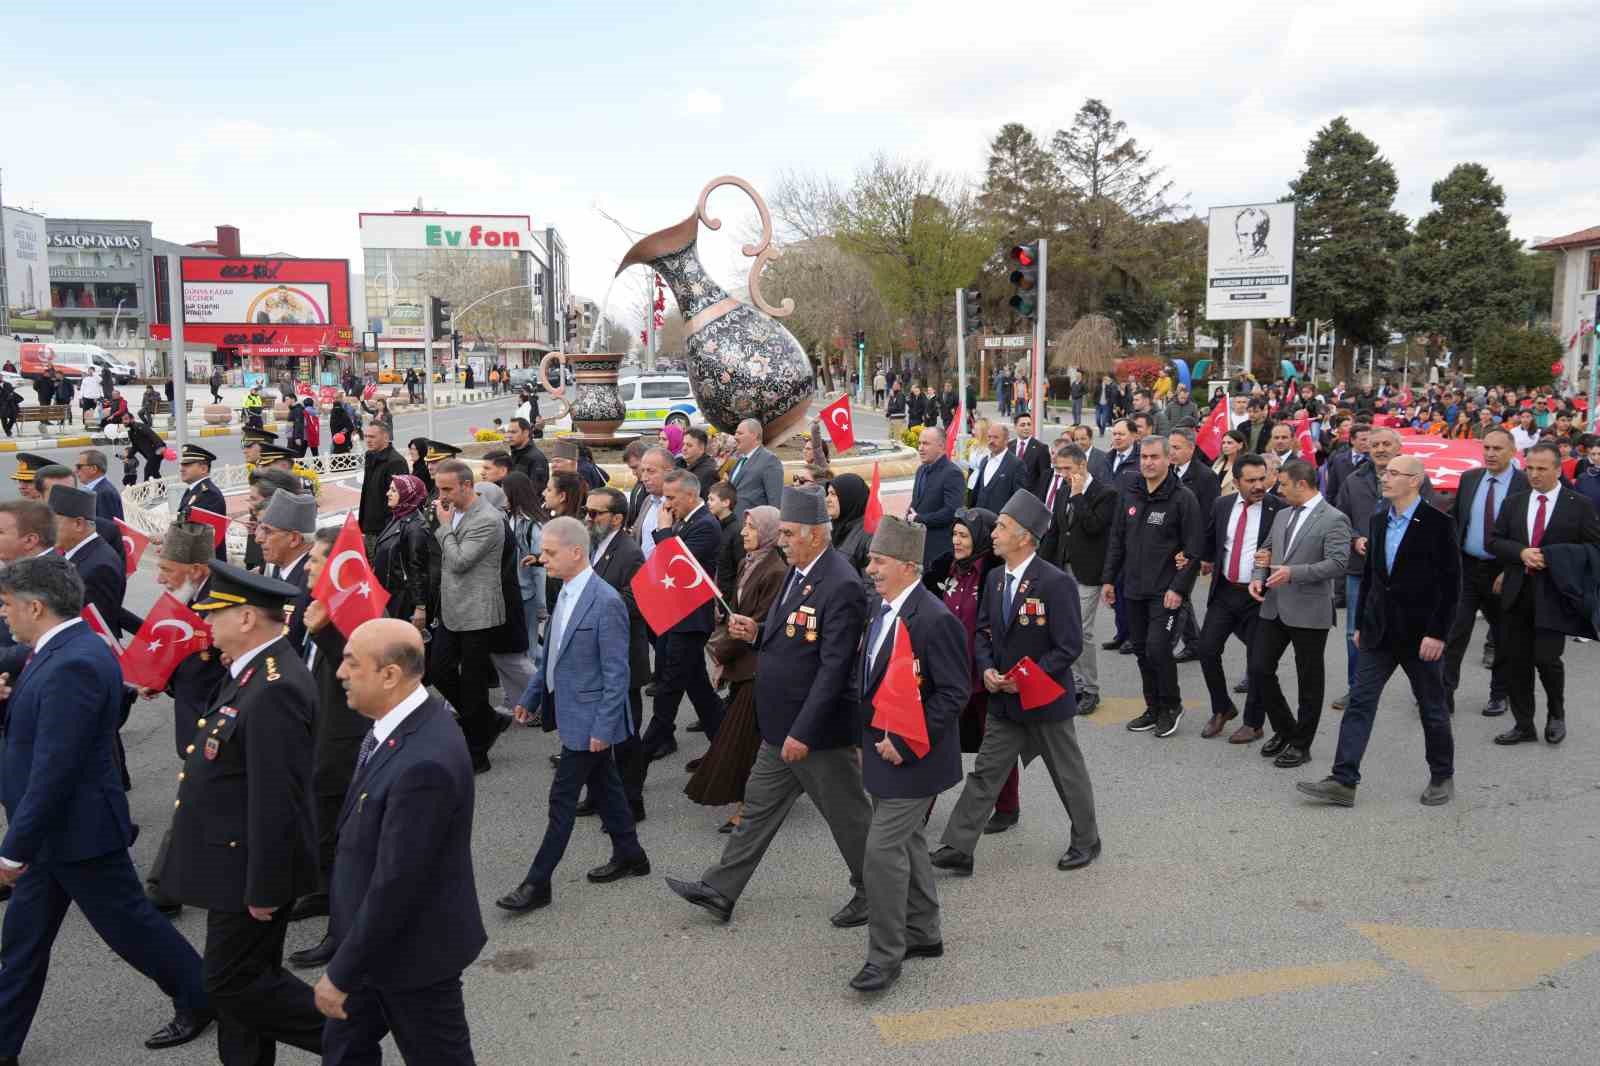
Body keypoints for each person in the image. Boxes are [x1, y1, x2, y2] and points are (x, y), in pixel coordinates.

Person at [0, 555, 213, 1061]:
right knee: (22, 945)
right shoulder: (65, 648)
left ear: (35, 606)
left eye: (7, 606)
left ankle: (201, 996)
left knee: (132, 929)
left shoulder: (71, 660)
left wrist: (14, 850)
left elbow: (57, 767)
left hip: (76, 832)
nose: (4, 616)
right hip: (54, 834)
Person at [666, 485, 873, 928]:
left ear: (817, 535)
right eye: (781, 533)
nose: (782, 541)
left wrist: (803, 732)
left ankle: (874, 890)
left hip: (815, 732)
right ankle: (721, 890)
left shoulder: (842, 584)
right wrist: (754, 632)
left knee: (849, 819)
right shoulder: (795, 571)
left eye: (791, 534)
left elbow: (835, 670)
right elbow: (789, 637)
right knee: (757, 810)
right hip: (778, 725)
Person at [162, 561, 325, 1065]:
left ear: (249, 618)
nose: (206, 620)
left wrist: (265, 886)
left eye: (216, 612)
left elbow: (278, 800)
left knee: (231, 985)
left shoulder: (275, 687)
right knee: (243, 993)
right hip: (230, 864)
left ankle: (346, 1032)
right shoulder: (249, 671)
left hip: (248, 870)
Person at [313, 619, 485, 1064]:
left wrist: (341, 971)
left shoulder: (424, 761)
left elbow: (398, 881)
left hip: (412, 957)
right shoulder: (393, 727)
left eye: (352, 663)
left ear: (389, 675)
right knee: (343, 1048)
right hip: (373, 945)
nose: (340, 673)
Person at [931, 489, 1101, 875]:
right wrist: (988, 668)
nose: (994, 533)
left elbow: (1068, 645)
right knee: (986, 773)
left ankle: (1087, 840)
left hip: (1043, 700)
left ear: (1025, 537)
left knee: (1067, 774)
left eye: (1003, 527)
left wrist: (1022, 677)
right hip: (1003, 700)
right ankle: (959, 846)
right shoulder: (993, 578)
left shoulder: (1054, 582)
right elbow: (985, 632)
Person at [499, 517, 649, 913]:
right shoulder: (564, 590)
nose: (542, 559)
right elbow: (552, 655)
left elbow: (618, 673)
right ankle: (631, 854)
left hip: (591, 720)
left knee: (562, 799)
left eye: (549, 553)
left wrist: (604, 727)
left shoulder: (606, 602)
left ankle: (537, 884)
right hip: (570, 712)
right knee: (606, 786)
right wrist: (531, 697)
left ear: (576, 552)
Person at [1297, 456, 1461, 807]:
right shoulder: (1377, 521)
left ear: (1415, 480)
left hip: (1421, 637)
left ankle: (1442, 776)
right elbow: (1371, 578)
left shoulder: (1438, 524)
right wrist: (1360, 624)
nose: (1384, 477)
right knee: (1360, 703)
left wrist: (1438, 634)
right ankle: (1343, 780)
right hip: (1378, 634)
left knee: (1432, 707)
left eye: (1392, 473)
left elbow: (1450, 585)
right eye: (1384, 472)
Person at [850, 516, 967, 993]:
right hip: (880, 751)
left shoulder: (935, 618)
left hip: (916, 757)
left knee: (880, 854)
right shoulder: (881, 609)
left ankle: (885, 957)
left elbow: (954, 693)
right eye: (871, 559)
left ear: (906, 565)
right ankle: (925, 932)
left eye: (878, 561)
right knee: (909, 846)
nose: (870, 568)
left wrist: (902, 741)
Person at [140, 522, 230, 917]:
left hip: (218, 725)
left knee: (193, 800)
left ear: (195, 570)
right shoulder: (189, 595)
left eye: (167, 570)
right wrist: (160, 679)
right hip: (192, 713)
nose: (159, 578)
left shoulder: (224, 602)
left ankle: (164, 887)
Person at [1487, 442, 1600, 746]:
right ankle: (1524, 724)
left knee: (1547, 660)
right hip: (1516, 594)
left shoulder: (1579, 505)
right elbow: (1495, 542)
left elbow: (1594, 550)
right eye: (1530, 468)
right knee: (1516, 661)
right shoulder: (1514, 502)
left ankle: (1556, 714)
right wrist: (1521, 552)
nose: (1534, 474)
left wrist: (1553, 556)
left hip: (1554, 596)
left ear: (1558, 469)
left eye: (1541, 468)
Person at [686, 505, 787, 829]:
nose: (744, 533)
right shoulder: (747, 562)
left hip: (758, 668)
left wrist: (719, 654)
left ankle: (750, 807)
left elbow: (759, 624)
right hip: (742, 664)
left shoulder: (776, 571)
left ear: (769, 532)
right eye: (744, 526)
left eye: (752, 527)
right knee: (752, 743)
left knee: (744, 743)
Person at [1248, 459, 1351, 768]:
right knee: (1259, 669)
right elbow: (1264, 550)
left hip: (1309, 609)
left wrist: (1294, 572)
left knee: (1309, 680)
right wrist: (1257, 573)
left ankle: (1301, 744)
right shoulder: (1281, 515)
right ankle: (1285, 729)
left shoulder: (1334, 519)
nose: (1277, 490)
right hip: (1275, 606)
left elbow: (1337, 564)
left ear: (1302, 485)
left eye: (1282, 485)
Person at [1101, 436, 1204, 737]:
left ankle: (1171, 706)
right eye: (1144, 457)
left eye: (1154, 457)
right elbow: (1117, 541)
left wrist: (1179, 589)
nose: (1148, 462)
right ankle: (1153, 707)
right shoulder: (1130, 495)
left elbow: (1194, 550)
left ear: (1168, 459)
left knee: (1159, 649)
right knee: (1143, 651)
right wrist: (1109, 579)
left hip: (1166, 592)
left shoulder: (1183, 499)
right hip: (1133, 589)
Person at [924, 507, 1020, 828]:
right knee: (933, 741)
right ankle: (918, 810)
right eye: (954, 534)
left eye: (964, 535)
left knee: (994, 747)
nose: (957, 541)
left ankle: (1007, 808)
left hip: (984, 676)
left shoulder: (995, 574)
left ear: (979, 537)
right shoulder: (943, 571)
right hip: (947, 676)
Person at [1195, 454, 1284, 742]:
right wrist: (1197, 558)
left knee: (1257, 662)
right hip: (1225, 591)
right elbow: (1211, 540)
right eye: (1252, 481)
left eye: (1263, 478)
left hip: (1259, 596)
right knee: (1207, 649)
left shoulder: (1279, 509)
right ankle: (1222, 708)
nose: (1259, 485)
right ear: (1236, 482)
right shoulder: (1222, 505)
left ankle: (1254, 723)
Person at [431, 460, 510, 774]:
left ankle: (478, 751)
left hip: (478, 610)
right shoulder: (453, 512)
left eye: (448, 488)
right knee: (437, 670)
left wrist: (443, 527)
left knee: (473, 683)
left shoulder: (488, 519)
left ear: (467, 485)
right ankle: (487, 721)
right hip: (451, 607)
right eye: (439, 488)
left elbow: (461, 560)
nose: (442, 495)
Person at [641, 468, 725, 758]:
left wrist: (663, 529)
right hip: (676, 614)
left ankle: (641, 759)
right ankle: (724, 752)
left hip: (691, 620)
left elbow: (674, 565)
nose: (667, 504)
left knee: (668, 691)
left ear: (691, 495)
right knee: (699, 689)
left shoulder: (705, 525)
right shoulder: (684, 519)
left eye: (671, 498)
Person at [585, 487, 651, 820]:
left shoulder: (630, 552)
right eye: (587, 511)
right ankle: (599, 793)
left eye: (595, 513)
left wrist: (590, 603)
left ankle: (631, 800)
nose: (588, 517)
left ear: (617, 518)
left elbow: (634, 602)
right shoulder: (593, 545)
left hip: (622, 657)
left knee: (625, 735)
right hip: (596, 654)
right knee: (596, 730)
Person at [1039, 443, 1114, 715]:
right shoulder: (1061, 490)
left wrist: (1079, 495)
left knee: (1081, 632)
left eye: (1067, 469)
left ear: (1082, 465)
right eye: (1059, 469)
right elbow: (1056, 531)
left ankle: (1090, 689)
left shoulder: (1106, 493)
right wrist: (1040, 566)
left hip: (1089, 573)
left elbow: (1093, 526)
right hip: (1062, 570)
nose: (1062, 475)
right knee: (1062, 629)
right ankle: (1075, 684)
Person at [255, 489, 317, 648]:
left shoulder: (313, 582)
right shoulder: (278, 567)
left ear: (294, 539)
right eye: (260, 528)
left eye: (268, 531)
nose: (259, 539)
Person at [908, 426, 966, 566]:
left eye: (926, 444)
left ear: (940, 447)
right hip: (919, 546)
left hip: (939, 551)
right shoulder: (921, 470)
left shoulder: (952, 473)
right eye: (920, 443)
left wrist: (919, 518)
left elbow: (952, 512)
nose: (920, 448)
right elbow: (917, 503)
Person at [172, 444, 227, 559]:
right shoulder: (193, 491)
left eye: (187, 465)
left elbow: (195, 532)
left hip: (206, 566)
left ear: (203, 469)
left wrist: (166, 539)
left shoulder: (209, 494)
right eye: (182, 465)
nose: (182, 469)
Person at [727, 418, 784, 519]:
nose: (735, 437)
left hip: (754, 527)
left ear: (754, 435)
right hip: (732, 526)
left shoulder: (769, 460)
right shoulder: (740, 461)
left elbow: (776, 502)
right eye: (736, 433)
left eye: (740, 433)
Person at [969, 421, 1023, 512]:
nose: (991, 441)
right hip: (979, 518)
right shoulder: (984, 460)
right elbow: (978, 491)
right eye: (989, 437)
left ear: (1006, 440)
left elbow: (1018, 498)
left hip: (1000, 521)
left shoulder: (1016, 464)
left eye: (996, 437)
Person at [827, 472, 872, 574]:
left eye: (833, 494)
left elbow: (872, 584)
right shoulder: (833, 528)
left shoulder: (869, 535)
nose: (827, 499)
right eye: (828, 494)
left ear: (848, 497)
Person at [73, 448, 125, 522]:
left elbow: (105, 527)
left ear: (93, 469)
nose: (75, 471)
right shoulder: (98, 489)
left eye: (79, 467)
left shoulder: (103, 493)